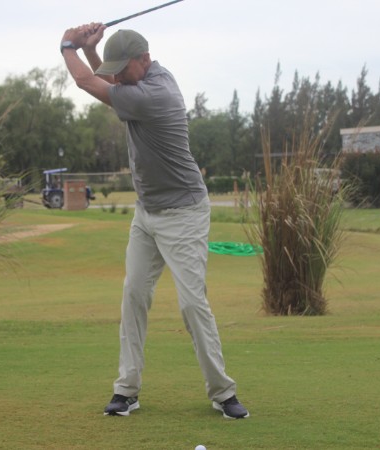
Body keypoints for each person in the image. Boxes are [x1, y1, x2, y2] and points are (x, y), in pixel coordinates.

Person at [60, 23, 249, 420]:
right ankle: (126, 390)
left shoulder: (156, 94)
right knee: (134, 294)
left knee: (192, 304)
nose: (118, 77)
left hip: (184, 213)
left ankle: (223, 392)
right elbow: (108, 79)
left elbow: (87, 83)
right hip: (147, 213)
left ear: (144, 59)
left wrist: (68, 46)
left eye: (122, 68)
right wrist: (94, 49)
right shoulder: (140, 80)